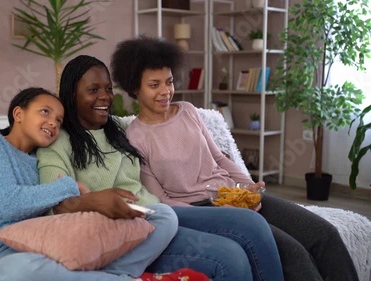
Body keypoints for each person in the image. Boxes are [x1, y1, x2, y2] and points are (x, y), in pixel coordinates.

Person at [111, 36, 359, 281]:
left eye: (169, 82)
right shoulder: (135, 138)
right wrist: (223, 213)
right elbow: (162, 200)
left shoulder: (187, 111)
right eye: (154, 85)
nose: (166, 91)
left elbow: (219, 157)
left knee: (324, 234)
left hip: (234, 194)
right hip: (201, 209)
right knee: (295, 254)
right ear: (135, 88)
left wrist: (248, 186)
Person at [38, 55, 285, 281]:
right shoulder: (58, 142)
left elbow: (154, 125)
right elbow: (55, 202)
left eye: (108, 89)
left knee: (251, 225)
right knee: (230, 255)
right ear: (71, 95)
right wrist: (92, 200)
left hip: (159, 215)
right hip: (127, 232)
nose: (105, 97)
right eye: (93, 90)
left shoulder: (116, 127)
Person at [0, 87, 206, 281]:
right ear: (18, 113)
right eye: (45, 112)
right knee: (19, 272)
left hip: (51, 249)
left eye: (59, 120)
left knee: (163, 215)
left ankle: (118, 275)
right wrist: (69, 186)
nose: (53, 122)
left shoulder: (40, 160)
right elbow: (8, 203)